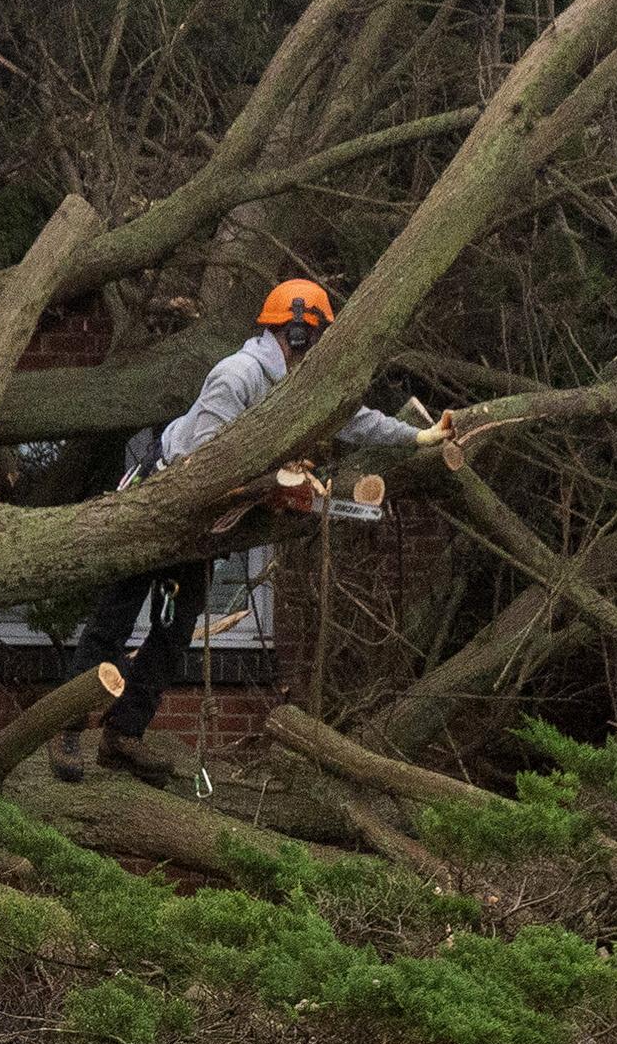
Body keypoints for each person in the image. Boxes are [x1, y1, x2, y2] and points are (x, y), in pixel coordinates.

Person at [77, 277, 434, 765]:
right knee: (112, 623)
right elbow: (205, 459)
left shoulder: (300, 384)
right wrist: (271, 483)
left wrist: (417, 438)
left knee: (174, 631)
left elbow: (354, 419)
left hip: (212, 522)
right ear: (300, 333)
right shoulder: (237, 375)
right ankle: (65, 731)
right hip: (161, 506)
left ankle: (124, 735)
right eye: (317, 338)